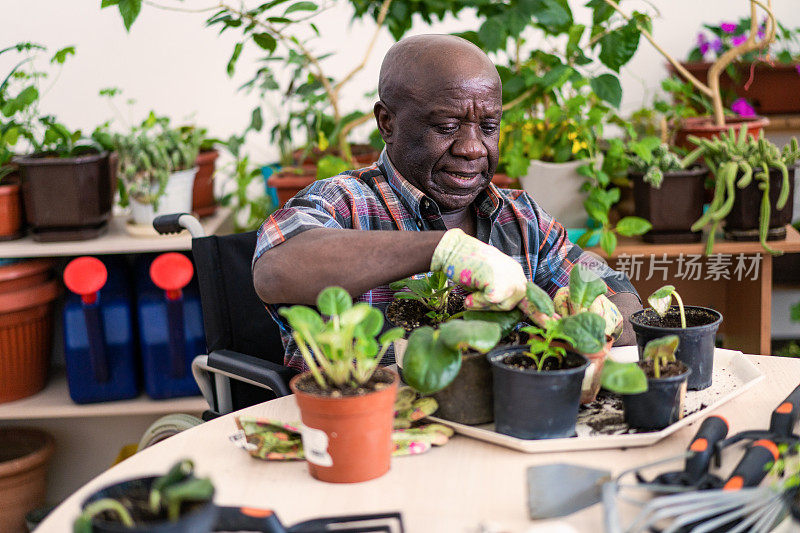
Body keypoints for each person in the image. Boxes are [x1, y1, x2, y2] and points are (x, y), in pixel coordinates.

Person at [253, 34, 642, 371]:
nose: (473, 148)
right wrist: (446, 249)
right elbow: (274, 269)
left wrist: (595, 321)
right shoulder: (344, 203)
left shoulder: (522, 219)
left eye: (488, 127)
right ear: (387, 122)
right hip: (371, 433)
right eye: (447, 126)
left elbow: (614, 291)